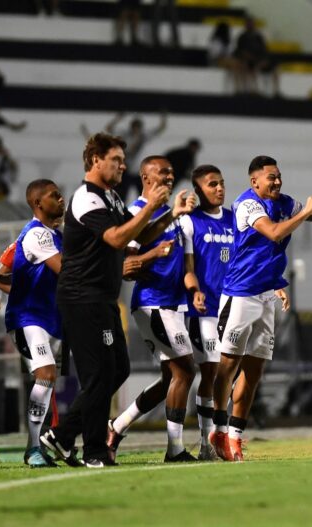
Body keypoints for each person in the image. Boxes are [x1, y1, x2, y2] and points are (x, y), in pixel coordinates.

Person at [39, 132, 195, 468]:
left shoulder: (110, 198)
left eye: (124, 161)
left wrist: (170, 214)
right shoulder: (86, 197)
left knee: (118, 369)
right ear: (95, 160)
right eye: (117, 160)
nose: (123, 166)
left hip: (102, 298)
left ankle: (63, 436)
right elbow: (115, 238)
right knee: (98, 375)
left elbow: (138, 233)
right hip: (82, 296)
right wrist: (152, 205)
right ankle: (93, 449)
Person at [210, 155, 312, 462]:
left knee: (254, 371)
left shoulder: (285, 203)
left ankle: (235, 437)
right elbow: (275, 233)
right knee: (227, 366)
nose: (277, 181)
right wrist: (307, 211)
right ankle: (218, 429)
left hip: (266, 296)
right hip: (240, 295)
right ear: (255, 182)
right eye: (271, 177)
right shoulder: (247, 204)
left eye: (279, 176)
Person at [107, 156, 198, 463]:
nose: (170, 178)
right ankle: (175, 450)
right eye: (163, 174)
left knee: (169, 380)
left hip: (174, 305)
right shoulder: (135, 212)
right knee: (186, 370)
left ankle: (116, 427)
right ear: (146, 178)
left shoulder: (175, 215)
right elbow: (126, 267)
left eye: (172, 174)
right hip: (152, 303)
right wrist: (154, 254)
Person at [5, 179, 66, 466]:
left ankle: (38, 445)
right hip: (29, 317)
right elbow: (66, 272)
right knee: (46, 374)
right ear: (38, 203)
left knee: (49, 382)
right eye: (55, 195)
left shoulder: (56, 235)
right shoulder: (37, 235)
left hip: (51, 318)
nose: (62, 198)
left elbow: (3, 273)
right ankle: (32, 450)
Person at [182, 164, 234, 459]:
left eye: (221, 183)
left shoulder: (234, 220)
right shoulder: (191, 223)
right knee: (212, 373)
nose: (219, 189)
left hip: (232, 310)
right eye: (212, 184)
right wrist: (194, 291)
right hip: (202, 311)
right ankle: (207, 443)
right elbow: (188, 267)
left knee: (226, 375)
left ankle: (220, 437)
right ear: (199, 189)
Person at [98, 110, 167, 204]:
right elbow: (109, 128)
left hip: (139, 172)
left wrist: (163, 116)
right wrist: (118, 118)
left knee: (146, 197)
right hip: (126, 170)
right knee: (121, 196)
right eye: (135, 127)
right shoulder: (125, 135)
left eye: (138, 127)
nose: (136, 130)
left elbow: (160, 128)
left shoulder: (143, 136)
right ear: (132, 127)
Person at [233, 17, 279, 97]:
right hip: (247, 60)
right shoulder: (242, 37)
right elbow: (239, 51)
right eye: (248, 24)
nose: (250, 25)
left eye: (252, 24)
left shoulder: (259, 37)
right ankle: (250, 90)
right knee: (245, 66)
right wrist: (247, 57)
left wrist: (262, 59)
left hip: (259, 59)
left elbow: (264, 50)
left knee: (276, 67)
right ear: (245, 25)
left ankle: (276, 91)